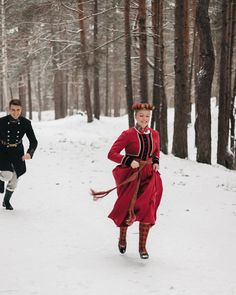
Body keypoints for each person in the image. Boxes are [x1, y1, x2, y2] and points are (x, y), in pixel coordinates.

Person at [92, 103, 163, 259]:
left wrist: (156, 161)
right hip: (132, 176)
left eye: (147, 116)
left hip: (150, 176)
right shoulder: (128, 134)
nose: (144, 119)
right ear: (135, 116)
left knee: (148, 209)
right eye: (141, 116)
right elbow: (112, 154)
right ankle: (122, 238)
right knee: (127, 207)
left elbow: (156, 151)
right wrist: (129, 160)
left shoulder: (155, 134)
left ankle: (142, 248)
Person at [0, 99, 38, 210]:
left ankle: (6, 201)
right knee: (7, 175)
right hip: (3, 151)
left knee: (14, 180)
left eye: (18, 110)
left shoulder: (26, 123)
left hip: (18, 152)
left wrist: (29, 153)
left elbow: (33, 141)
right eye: (13, 110)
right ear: (8, 109)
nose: (15, 112)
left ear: (21, 109)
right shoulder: (1, 121)